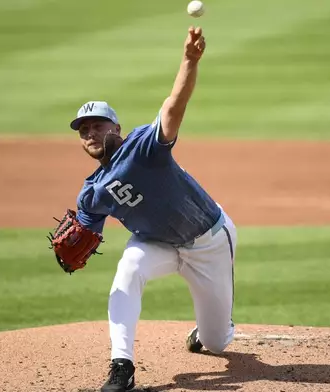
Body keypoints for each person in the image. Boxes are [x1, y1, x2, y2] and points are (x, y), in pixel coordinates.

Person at [69, 26, 237, 392]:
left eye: (97, 126)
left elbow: (174, 105)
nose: (91, 134)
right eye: (83, 131)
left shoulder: (144, 147)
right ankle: (122, 366)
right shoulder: (92, 192)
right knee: (128, 268)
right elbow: (85, 231)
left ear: (117, 127)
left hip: (208, 240)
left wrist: (189, 61)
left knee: (216, 342)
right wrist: (73, 248)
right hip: (156, 244)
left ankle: (210, 329)